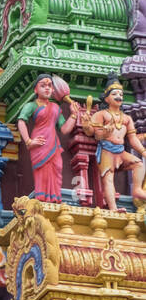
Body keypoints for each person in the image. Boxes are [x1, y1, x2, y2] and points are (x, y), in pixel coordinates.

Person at [81, 75, 146, 212]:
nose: (119, 97)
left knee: (139, 164)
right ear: (106, 98)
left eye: (121, 94)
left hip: (120, 151)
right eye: (115, 94)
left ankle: (137, 190)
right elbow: (93, 133)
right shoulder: (102, 114)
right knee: (108, 178)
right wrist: (89, 125)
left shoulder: (127, 118)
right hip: (107, 151)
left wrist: (143, 152)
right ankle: (113, 208)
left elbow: (132, 138)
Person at [17, 74, 78, 203]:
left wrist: (74, 115)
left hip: (54, 144)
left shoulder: (56, 108)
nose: (47, 88)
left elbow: (64, 129)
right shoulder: (32, 106)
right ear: (35, 90)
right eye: (43, 86)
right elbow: (21, 121)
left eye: (49, 86)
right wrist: (28, 141)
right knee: (42, 171)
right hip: (39, 143)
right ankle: (41, 198)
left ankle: (55, 199)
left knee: (57, 168)